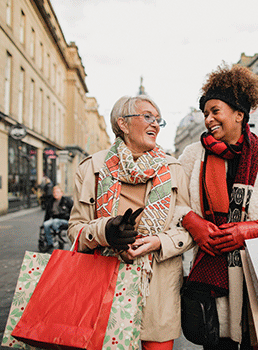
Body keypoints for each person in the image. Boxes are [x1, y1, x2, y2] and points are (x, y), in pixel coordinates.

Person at [179, 63, 258, 350]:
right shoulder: (192, 155)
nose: (208, 119)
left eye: (215, 111)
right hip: (211, 285)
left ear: (239, 114)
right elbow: (175, 202)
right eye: (205, 113)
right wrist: (192, 222)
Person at [67, 95, 193, 350]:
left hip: (158, 293)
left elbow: (188, 227)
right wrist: (105, 232)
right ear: (122, 123)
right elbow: (75, 229)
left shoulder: (174, 169)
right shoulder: (91, 167)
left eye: (159, 120)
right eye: (147, 117)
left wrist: (159, 241)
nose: (155, 124)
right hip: (103, 288)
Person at [43, 185, 73, 250]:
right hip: (54, 220)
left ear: (61, 193)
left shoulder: (67, 201)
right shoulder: (51, 202)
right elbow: (47, 214)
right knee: (46, 224)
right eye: (54, 192)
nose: (55, 194)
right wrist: (44, 221)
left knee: (56, 221)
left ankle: (58, 236)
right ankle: (50, 243)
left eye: (57, 192)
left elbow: (73, 212)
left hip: (65, 220)